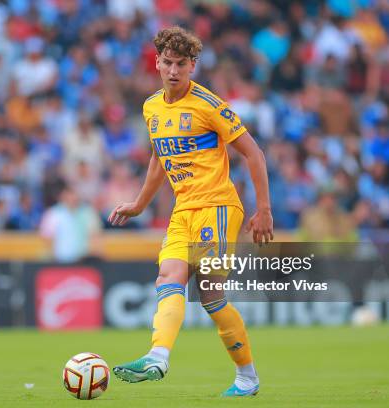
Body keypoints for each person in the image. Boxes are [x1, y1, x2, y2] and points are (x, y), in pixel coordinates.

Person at [108, 27, 273, 397]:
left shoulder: (209, 105)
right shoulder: (151, 107)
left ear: (192, 66)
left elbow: (254, 154)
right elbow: (157, 159)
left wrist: (263, 210)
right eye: (167, 62)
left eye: (181, 64)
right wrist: (138, 204)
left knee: (211, 293)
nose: (173, 71)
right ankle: (157, 356)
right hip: (183, 210)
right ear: (157, 62)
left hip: (217, 206)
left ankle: (247, 377)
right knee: (169, 276)